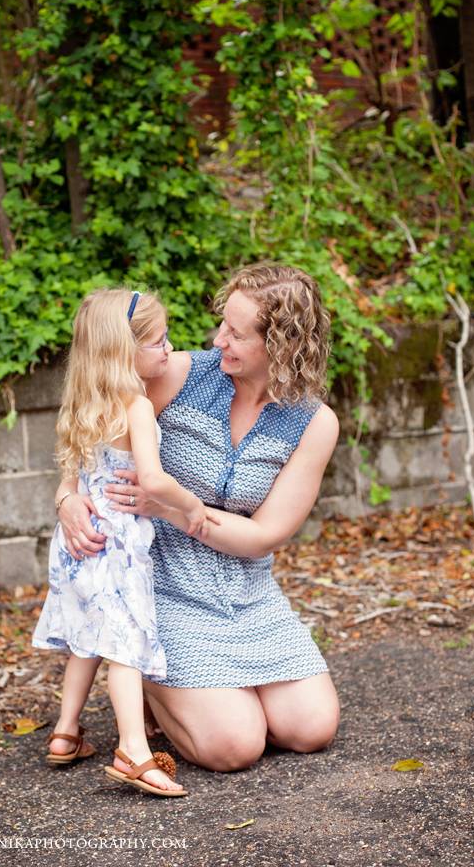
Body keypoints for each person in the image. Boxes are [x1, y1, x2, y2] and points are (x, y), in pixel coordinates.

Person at [55, 263, 340, 773]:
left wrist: (176, 507)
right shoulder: (179, 375)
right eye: (222, 324)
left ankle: (201, 688)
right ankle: (141, 672)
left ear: (284, 344)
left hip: (247, 592)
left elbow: (264, 536)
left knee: (311, 729)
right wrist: (66, 497)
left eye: (235, 332)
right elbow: (90, 428)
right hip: (160, 584)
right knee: (234, 746)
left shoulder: (315, 423)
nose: (217, 338)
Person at [32, 287, 219, 797]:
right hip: (116, 543)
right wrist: (192, 506)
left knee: (88, 640)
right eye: (159, 341)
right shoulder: (135, 405)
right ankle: (133, 749)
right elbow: (153, 482)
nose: (169, 349)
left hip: (79, 541)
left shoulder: (82, 403)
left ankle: (66, 732)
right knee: (125, 647)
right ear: (123, 351)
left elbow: (72, 474)